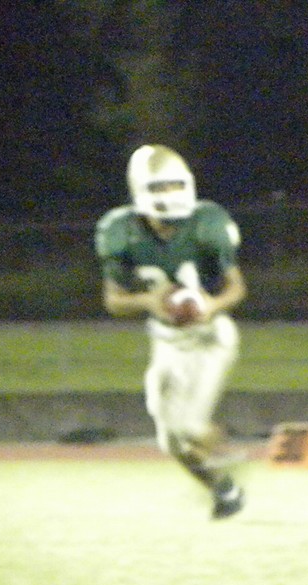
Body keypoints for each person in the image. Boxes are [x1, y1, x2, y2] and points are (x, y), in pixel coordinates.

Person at [94, 144, 247, 519]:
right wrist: (149, 301)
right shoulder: (120, 231)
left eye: (176, 184)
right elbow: (113, 300)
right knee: (171, 442)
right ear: (140, 190)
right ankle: (224, 489)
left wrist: (210, 304)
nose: (171, 194)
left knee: (191, 427)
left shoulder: (207, 222)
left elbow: (237, 288)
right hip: (166, 342)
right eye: (160, 186)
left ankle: (221, 447)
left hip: (210, 337)